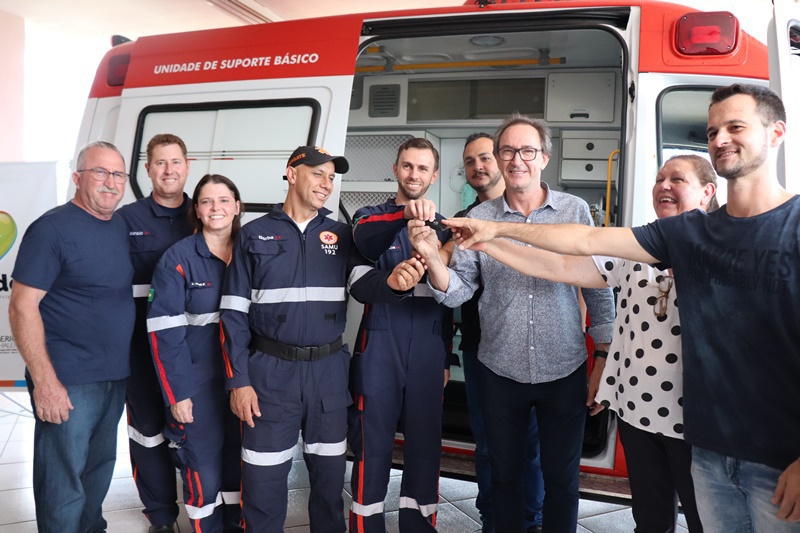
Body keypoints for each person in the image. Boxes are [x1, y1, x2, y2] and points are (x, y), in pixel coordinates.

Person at [442, 84, 800, 529]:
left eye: (736, 127)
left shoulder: (791, 226)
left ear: (776, 133)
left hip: (775, 454)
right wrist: (492, 235)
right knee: (654, 519)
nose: (720, 138)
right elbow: (574, 253)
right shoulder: (684, 233)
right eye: (712, 132)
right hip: (702, 442)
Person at [436, 155, 717, 532]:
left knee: (707, 520)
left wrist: (494, 230)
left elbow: (584, 241)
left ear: (707, 192)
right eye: (659, 178)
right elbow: (562, 266)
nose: (664, 185)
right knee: (651, 521)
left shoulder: (720, 246)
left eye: (677, 179)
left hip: (697, 417)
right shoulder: (637, 248)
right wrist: (487, 244)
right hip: (639, 412)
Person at [410, 115, 615, 532]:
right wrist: (432, 259)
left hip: (564, 368)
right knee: (504, 476)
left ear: (544, 157)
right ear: (500, 158)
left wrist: (603, 359)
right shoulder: (479, 216)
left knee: (562, 481)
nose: (517, 159)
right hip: (499, 370)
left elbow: (598, 287)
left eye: (527, 151)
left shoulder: (574, 210)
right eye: (508, 151)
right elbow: (459, 290)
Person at [220, 146, 425, 533]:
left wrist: (394, 283)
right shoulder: (252, 234)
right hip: (269, 377)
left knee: (330, 488)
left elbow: (363, 284)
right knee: (263, 484)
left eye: (331, 177)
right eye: (318, 174)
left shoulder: (341, 235)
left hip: (328, 376)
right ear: (292, 174)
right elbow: (232, 313)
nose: (327, 184)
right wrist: (239, 381)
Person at [8, 141, 135, 532]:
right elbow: (21, 306)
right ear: (78, 178)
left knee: (98, 472)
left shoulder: (118, 226)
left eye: (118, 174)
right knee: (62, 482)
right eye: (100, 172)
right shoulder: (51, 230)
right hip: (68, 380)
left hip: (113, 376)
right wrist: (45, 383)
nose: (110, 182)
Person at [347, 137, 455, 533]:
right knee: (371, 444)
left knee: (425, 446)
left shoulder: (446, 229)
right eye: (407, 166)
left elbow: (451, 300)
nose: (414, 174)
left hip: (429, 346)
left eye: (423, 168)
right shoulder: (370, 218)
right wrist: (404, 217)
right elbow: (360, 276)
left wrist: (446, 356)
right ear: (395, 169)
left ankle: (419, 527)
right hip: (380, 342)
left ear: (434, 175)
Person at [455, 133, 544, 533]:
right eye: (470, 161)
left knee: (531, 447)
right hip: (481, 350)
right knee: (490, 447)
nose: (478, 166)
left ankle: (531, 521)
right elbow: (451, 285)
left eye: (485, 157)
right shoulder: (462, 220)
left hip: (534, 349)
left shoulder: (533, 217)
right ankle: (492, 522)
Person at [147, 174, 245, 532]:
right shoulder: (178, 259)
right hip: (197, 384)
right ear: (197, 211)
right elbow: (164, 334)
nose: (216, 208)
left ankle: (235, 525)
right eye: (207, 201)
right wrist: (178, 394)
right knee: (203, 466)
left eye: (224, 200)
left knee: (240, 463)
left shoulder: (251, 252)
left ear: (237, 207)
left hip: (244, 380)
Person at [117, 133, 195, 533]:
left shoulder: (204, 214)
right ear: (147, 170)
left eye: (175, 162)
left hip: (194, 352)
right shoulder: (125, 220)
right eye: (160, 163)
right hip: (140, 351)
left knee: (195, 431)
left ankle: (204, 508)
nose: (168, 170)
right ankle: (161, 517)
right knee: (147, 433)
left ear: (187, 166)